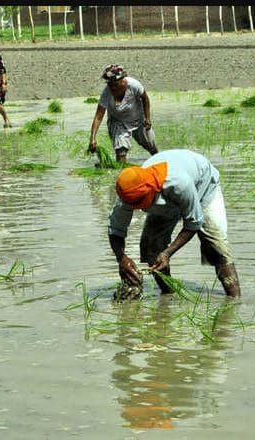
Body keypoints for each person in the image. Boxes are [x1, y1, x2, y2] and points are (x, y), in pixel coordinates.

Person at [108, 149, 240, 298]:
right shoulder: (128, 192)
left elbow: (194, 222)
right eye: (134, 205)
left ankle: (235, 301)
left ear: (150, 190)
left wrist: (167, 253)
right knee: (152, 246)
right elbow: (115, 229)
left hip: (203, 186)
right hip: (166, 198)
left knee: (216, 247)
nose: (137, 208)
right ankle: (168, 296)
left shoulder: (179, 183)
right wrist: (121, 258)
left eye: (140, 203)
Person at [88, 64, 158, 162]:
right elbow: (98, 116)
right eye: (110, 85)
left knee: (149, 144)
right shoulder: (107, 93)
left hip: (138, 117)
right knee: (121, 150)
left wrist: (148, 118)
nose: (113, 88)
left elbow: (145, 99)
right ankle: (122, 171)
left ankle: (159, 159)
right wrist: (93, 138)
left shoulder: (134, 85)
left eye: (115, 84)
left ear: (122, 79)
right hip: (118, 121)